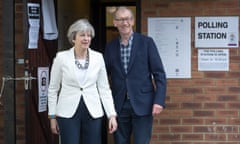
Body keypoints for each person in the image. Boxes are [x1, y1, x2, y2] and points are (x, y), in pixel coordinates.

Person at [47, 18, 117, 144]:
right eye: (82, 35)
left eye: (89, 35)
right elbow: (53, 89)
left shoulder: (98, 57)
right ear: (73, 38)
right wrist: (52, 116)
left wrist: (111, 115)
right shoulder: (61, 58)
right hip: (67, 112)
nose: (86, 38)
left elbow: (104, 89)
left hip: (93, 111)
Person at [104, 6, 167, 144]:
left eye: (127, 19)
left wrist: (159, 100)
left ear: (132, 21)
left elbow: (159, 74)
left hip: (143, 103)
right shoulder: (110, 47)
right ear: (114, 23)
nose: (124, 23)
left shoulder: (146, 43)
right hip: (119, 104)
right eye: (120, 20)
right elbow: (103, 77)